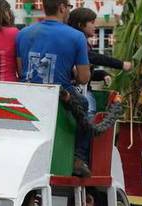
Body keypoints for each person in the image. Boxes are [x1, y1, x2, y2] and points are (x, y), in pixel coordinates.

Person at [16, 0, 91, 177]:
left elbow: (20, 70)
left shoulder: (24, 33)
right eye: (69, 8)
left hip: (28, 94)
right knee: (84, 104)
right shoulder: (76, 36)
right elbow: (83, 78)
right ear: (62, 7)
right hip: (58, 95)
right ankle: (77, 159)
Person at [68, 7, 132, 117]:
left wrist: (102, 74)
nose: (95, 26)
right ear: (80, 25)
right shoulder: (76, 42)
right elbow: (93, 57)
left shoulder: (84, 43)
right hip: (77, 92)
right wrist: (121, 64)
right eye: (92, 23)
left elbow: (84, 74)